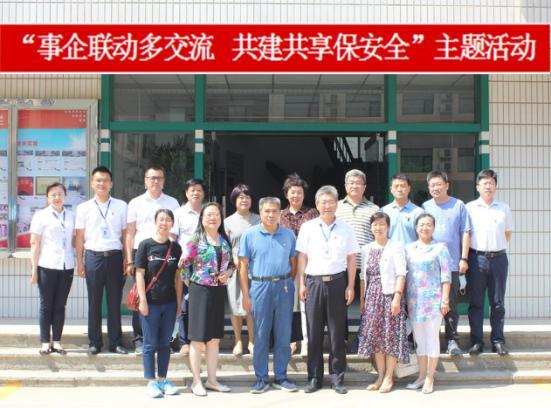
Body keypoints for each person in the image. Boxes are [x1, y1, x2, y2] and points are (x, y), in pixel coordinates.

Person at [297, 185, 359, 395]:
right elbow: (302, 256)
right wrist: (302, 283)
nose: (327, 205)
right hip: (314, 282)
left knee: (336, 333)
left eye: (331, 201)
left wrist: (350, 285)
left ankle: (337, 378)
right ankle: (314, 377)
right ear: (317, 205)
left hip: (337, 282)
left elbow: (351, 258)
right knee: (313, 333)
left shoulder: (346, 228)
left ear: (336, 204)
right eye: (323, 202)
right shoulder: (308, 227)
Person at [239, 197, 298, 394]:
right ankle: (261, 378)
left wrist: (284, 281)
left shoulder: (288, 234)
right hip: (259, 287)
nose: (271, 215)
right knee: (261, 334)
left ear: (280, 213)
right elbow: (242, 266)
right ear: (260, 213)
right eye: (267, 211)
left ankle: (281, 376)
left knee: (283, 333)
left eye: (274, 211)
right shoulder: (249, 235)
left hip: (284, 286)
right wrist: (246, 295)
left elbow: (294, 264)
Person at [125, 166, 180, 354]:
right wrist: (129, 260)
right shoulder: (135, 203)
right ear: (145, 181)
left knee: (164, 296)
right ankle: (140, 339)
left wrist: (171, 253)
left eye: (159, 178)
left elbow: (174, 232)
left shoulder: (172, 202)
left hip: (165, 254)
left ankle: (164, 340)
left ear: (164, 181)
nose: (155, 181)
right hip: (142, 253)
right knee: (141, 294)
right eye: (152, 178)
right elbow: (130, 233)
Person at [181, 202, 233, 396]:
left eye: (216, 214)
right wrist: (193, 286)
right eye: (209, 214)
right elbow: (183, 267)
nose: (213, 218)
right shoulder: (195, 239)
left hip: (219, 291)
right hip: (199, 291)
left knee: (214, 339)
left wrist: (228, 273)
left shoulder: (224, 240)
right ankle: (196, 381)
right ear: (201, 218)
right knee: (197, 339)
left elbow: (232, 264)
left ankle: (212, 380)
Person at [75, 166, 128, 355]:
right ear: (92, 183)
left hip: (115, 257)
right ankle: (95, 342)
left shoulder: (121, 206)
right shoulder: (84, 208)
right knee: (94, 302)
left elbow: (125, 234)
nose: (102, 184)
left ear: (111, 183)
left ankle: (115, 343)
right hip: (93, 257)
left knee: (114, 302)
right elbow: (79, 237)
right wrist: (79, 262)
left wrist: (127, 258)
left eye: (105, 180)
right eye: (98, 180)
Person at [358, 212, 409, 394]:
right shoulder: (366, 248)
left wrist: (397, 297)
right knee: (377, 338)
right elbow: (363, 276)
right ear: (370, 227)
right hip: (372, 297)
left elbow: (401, 273)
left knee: (391, 336)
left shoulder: (396, 246)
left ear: (388, 227)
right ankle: (380, 376)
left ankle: (389, 377)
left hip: (390, 295)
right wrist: (362, 299)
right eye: (375, 224)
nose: (378, 227)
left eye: (382, 224)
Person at [135, 209, 183, 398]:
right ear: (155, 222)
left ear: (172, 223)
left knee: (164, 343)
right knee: (150, 343)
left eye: (168, 220)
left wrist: (178, 303)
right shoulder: (145, 245)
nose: (164, 223)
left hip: (169, 303)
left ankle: (162, 380)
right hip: (151, 302)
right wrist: (142, 300)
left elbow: (178, 278)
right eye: (161, 219)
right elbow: (139, 274)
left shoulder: (176, 248)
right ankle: (150, 381)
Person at [422, 170, 471, 356]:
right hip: (429, 267)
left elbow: (465, 232)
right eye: (432, 185)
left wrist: (464, 258)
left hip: (451, 265)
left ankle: (452, 340)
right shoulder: (425, 207)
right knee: (430, 304)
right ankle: (431, 340)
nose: (435, 188)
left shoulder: (458, 205)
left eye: (439, 184)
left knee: (450, 304)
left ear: (447, 185)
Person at [466, 169, 513, 356]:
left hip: (499, 259)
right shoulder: (469, 208)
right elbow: (466, 235)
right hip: (476, 258)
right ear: (477, 187)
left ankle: (498, 341)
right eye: (484, 183)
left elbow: (507, 234)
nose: (488, 186)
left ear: (495, 186)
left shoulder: (504, 208)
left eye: (491, 183)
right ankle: (477, 341)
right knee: (476, 302)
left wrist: (495, 249)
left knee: (498, 302)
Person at [405, 213, 451, 394]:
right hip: (414, 301)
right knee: (419, 340)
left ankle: (430, 378)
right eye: (422, 224)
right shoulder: (409, 249)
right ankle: (421, 376)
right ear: (416, 228)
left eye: (429, 224)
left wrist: (445, 299)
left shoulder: (440, 248)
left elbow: (446, 276)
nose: (425, 227)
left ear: (434, 227)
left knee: (432, 339)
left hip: (433, 301)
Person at [30, 182, 75, 355]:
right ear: (47, 198)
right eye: (53, 195)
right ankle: (44, 342)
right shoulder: (40, 216)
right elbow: (35, 243)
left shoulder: (70, 216)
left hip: (66, 266)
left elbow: (74, 240)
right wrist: (34, 269)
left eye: (60, 194)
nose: (57, 197)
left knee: (60, 305)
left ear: (65, 196)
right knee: (46, 304)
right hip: (47, 265)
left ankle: (56, 341)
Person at [335, 169, 379, 340]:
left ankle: (366, 338)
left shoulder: (374, 209)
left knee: (367, 302)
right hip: (342, 264)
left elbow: (378, 236)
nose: (354, 186)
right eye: (351, 183)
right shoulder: (336, 207)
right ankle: (343, 339)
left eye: (358, 183)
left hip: (367, 264)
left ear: (364, 187)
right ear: (345, 186)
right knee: (340, 303)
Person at [280, 173, 318, 356]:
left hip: (307, 265)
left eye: (299, 192)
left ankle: (306, 342)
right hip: (285, 266)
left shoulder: (312, 214)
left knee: (304, 304)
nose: (296, 195)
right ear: (286, 194)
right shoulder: (280, 215)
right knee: (288, 305)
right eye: (292, 192)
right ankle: (291, 341)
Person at [224, 184, 260, 356]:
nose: (244, 200)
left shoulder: (258, 219)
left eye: (247, 197)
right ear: (234, 200)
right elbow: (224, 245)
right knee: (236, 305)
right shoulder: (227, 222)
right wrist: (234, 258)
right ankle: (238, 340)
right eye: (240, 197)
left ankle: (252, 341)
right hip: (236, 267)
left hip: (255, 268)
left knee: (252, 305)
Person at [172, 178, 205, 356]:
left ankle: (200, 340)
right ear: (186, 193)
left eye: (199, 190)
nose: (196, 193)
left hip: (205, 265)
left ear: (203, 193)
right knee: (185, 303)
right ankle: (184, 341)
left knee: (202, 303)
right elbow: (173, 238)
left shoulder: (208, 212)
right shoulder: (178, 213)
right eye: (192, 190)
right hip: (184, 264)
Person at [382, 173, 424, 244]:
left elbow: (424, 237)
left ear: (409, 188)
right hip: (389, 251)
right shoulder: (384, 211)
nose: (399, 189)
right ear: (391, 189)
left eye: (402, 186)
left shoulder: (419, 212)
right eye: (396, 186)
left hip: (412, 251)